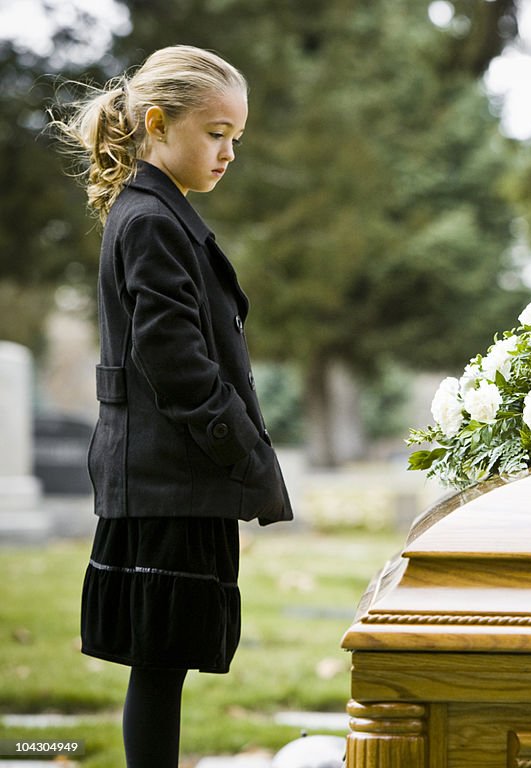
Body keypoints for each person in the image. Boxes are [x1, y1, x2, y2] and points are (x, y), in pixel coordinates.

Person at [51, 45, 293, 767]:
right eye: (216, 133)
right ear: (158, 124)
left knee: (163, 668)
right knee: (159, 667)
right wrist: (244, 452)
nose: (228, 152)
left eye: (236, 139)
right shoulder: (152, 219)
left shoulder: (157, 211)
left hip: (168, 483)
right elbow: (176, 366)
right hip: (169, 486)